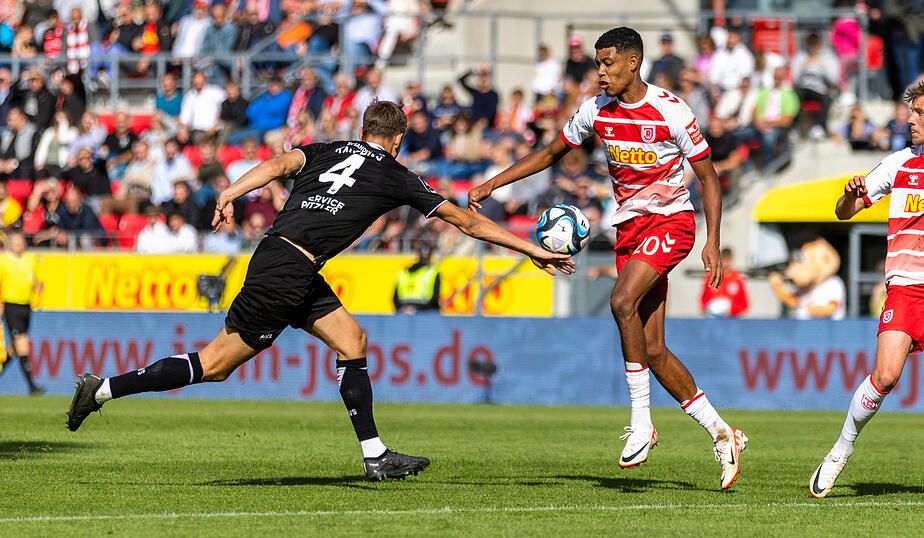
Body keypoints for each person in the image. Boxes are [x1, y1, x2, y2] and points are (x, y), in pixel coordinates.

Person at [65, 101, 574, 482]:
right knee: (215, 364)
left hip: (285, 259)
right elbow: (466, 222)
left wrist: (230, 192)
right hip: (288, 271)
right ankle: (103, 388)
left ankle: (375, 455)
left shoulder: (326, 149)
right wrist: (532, 249)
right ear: (397, 140)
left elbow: (277, 165)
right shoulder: (396, 174)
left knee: (352, 340)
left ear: (362, 131)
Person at [468, 27, 746, 489]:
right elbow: (552, 152)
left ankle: (641, 423)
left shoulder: (671, 110)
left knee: (620, 301)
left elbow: (709, 178)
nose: (600, 71)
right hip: (629, 230)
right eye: (598, 63)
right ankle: (722, 433)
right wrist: (494, 183)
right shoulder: (596, 110)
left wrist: (712, 240)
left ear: (632, 63)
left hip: (671, 223)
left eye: (607, 63)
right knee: (653, 350)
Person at [810, 81, 924, 498]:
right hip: (907, 288)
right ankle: (841, 449)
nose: (910, 119)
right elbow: (845, 212)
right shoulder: (899, 164)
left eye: (920, 113)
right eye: (911, 111)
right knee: (886, 375)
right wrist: (848, 196)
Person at [0, 229, 44, 395]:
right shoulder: (2, 260)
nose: (18, 246)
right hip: (11, 307)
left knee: (15, 349)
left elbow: (38, 280)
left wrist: (38, 287)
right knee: (23, 344)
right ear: (10, 244)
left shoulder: (31, 259)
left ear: (24, 244)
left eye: (20, 243)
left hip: (26, 307)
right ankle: (32, 386)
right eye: (15, 243)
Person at [699, 247, 748, 317]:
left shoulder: (738, 278)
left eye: (728, 259)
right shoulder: (710, 276)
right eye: (724, 259)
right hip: (713, 318)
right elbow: (703, 300)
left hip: (732, 319)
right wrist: (708, 311)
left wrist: (732, 311)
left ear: (731, 259)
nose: (726, 263)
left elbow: (744, 304)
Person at [393, 243, 441, 314]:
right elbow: (435, 299)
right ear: (431, 256)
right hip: (425, 313)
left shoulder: (403, 272)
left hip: (404, 312)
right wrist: (416, 309)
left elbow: (395, 299)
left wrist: (404, 309)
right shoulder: (433, 272)